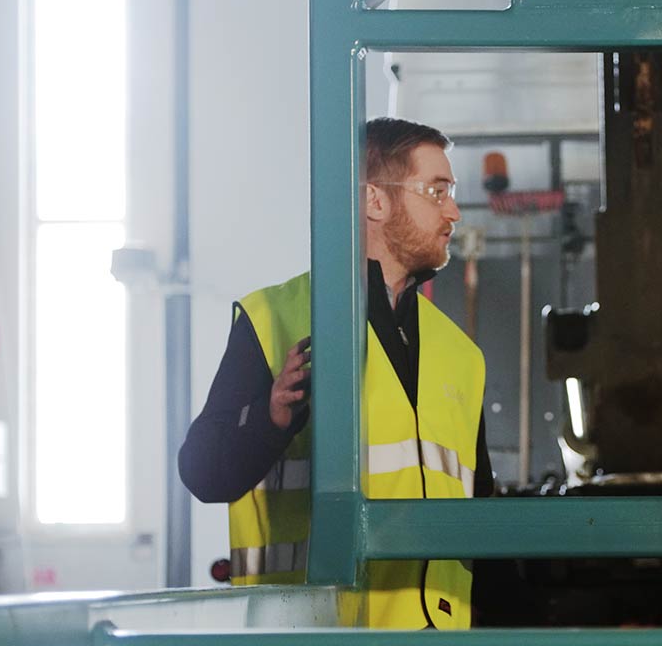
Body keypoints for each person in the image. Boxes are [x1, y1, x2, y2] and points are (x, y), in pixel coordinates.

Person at [179, 117, 491, 628]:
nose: (453, 211)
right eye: (436, 191)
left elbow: (483, 521)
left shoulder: (461, 353)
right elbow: (202, 472)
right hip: (315, 635)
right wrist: (272, 418)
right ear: (375, 200)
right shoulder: (274, 318)